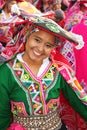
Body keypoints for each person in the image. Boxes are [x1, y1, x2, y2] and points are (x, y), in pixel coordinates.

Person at [0, 15, 87, 130]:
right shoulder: (6, 72)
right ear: (27, 36)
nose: (40, 49)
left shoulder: (58, 69)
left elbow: (77, 101)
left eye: (48, 45)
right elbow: (2, 114)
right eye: (37, 40)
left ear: (53, 48)